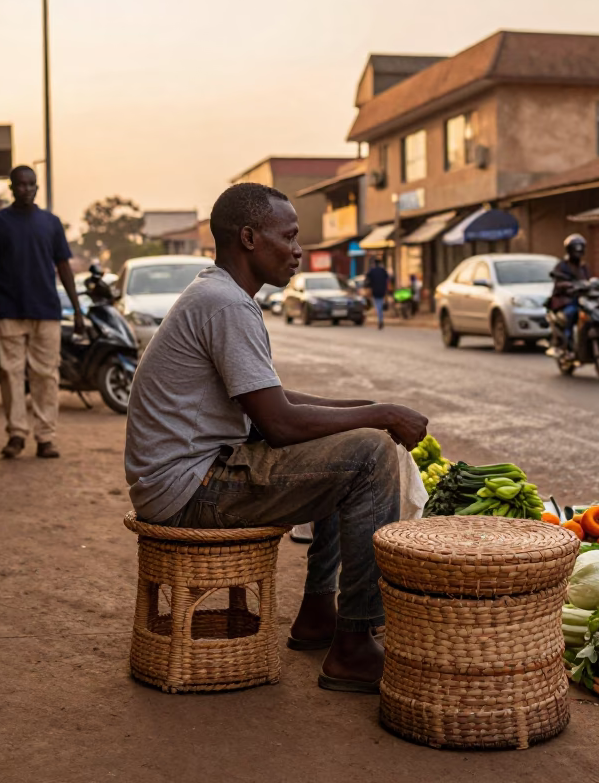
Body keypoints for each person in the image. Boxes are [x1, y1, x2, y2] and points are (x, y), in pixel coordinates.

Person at [124, 182, 428, 693]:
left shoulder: (219, 294)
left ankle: (317, 615)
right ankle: (354, 645)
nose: (297, 250)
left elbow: (274, 404)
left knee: (346, 445)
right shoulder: (226, 305)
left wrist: (372, 411)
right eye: (287, 236)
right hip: (190, 489)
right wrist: (379, 418)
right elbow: (281, 425)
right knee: (370, 457)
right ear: (248, 237)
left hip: (190, 476)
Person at [0, 166, 83, 459]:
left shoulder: (51, 223)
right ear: (11, 188)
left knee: (46, 375)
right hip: (7, 310)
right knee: (10, 374)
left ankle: (45, 437)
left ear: (37, 188)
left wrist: (76, 310)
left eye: (31, 184)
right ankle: (16, 434)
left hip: (46, 310)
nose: (25, 189)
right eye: (20, 185)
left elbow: (64, 267)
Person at [550, 233, 590, 351]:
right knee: (571, 313)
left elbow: (589, 280)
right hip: (566, 299)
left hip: (582, 299)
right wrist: (567, 285)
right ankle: (567, 341)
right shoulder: (562, 266)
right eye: (575, 249)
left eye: (580, 249)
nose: (578, 252)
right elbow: (558, 281)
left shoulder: (584, 267)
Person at [364, 257, 389, 329]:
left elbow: (367, 279)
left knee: (378, 306)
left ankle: (380, 319)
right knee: (380, 305)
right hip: (382, 291)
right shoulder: (383, 271)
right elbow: (387, 279)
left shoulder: (372, 271)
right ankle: (380, 319)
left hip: (375, 291)